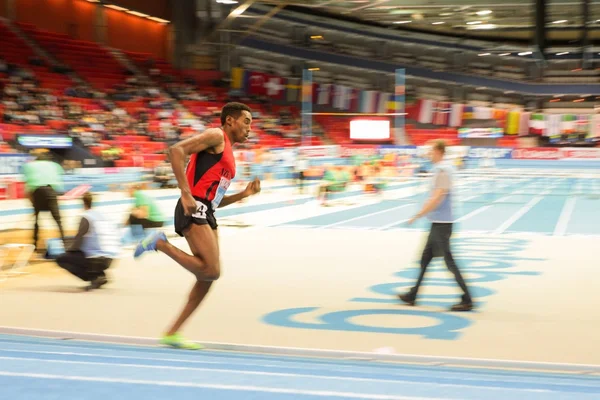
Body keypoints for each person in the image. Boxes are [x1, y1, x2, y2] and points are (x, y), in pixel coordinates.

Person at [133, 102, 261, 349]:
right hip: (193, 207)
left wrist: (243, 195)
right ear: (230, 121)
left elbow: (215, 200)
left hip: (207, 212)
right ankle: (160, 243)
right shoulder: (216, 135)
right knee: (212, 271)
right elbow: (176, 150)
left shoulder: (229, 154)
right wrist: (185, 193)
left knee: (207, 278)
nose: (249, 129)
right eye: (246, 122)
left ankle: (173, 332)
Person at [398, 140, 473, 312]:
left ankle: (467, 299)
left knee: (449, 262)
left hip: (442, 224)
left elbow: (438, 197)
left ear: (439, 151)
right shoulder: (442, 169)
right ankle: (412, 294)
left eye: (431, 151)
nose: (429, 154)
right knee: (425, 259)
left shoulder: (443, 171)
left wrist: (419, 214)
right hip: (437, 223)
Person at [55, 192, 120, 290]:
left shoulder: (86, 217)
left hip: (96, 259)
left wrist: (68, 251)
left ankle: (94, 277)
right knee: (81, 254)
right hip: (111, 258)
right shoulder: (103, 216)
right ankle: (101, 274)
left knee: (61, 259)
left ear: (83, 203)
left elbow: (78, 240)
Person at [21, 150, 65, 251]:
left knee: (36, 219)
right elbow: (58, 184)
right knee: (58, 220)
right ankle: (64, 241)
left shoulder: (29, 166)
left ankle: (35, 244)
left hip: (37, 192)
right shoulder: (54, 165)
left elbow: (28, 186)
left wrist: (32, 204)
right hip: (50, 191)